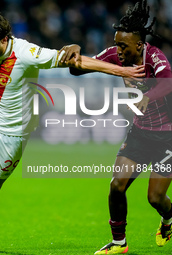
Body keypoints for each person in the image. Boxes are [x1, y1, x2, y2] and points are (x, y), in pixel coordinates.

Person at [0, 13, 144, 251]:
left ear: (4, 40)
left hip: (15, 133)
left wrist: (123, 72)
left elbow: (76, 61)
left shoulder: (27, 54)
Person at [70, 1, 172, 254]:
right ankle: (119, 243)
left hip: (168, 136)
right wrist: (75, 53)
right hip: (140, 133)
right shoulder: (117, 55)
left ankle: (168, 220)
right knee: (117, 185)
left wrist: (148, 96)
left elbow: (168, 82)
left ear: (139, 44)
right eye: (116, 44)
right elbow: (79, 69)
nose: (118, 50)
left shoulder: (155, 57)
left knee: (155, 199)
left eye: (123, 45)